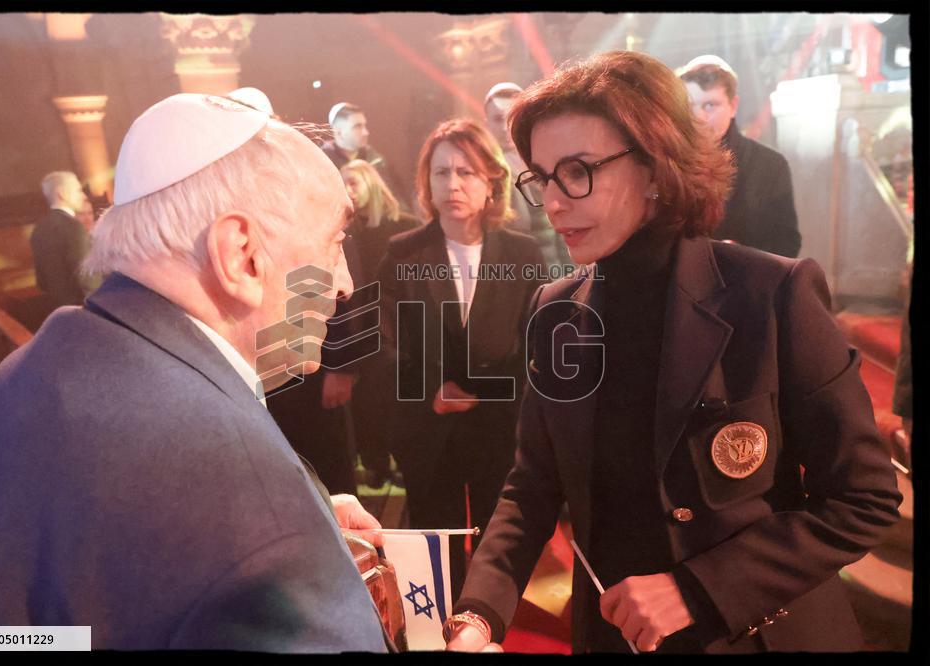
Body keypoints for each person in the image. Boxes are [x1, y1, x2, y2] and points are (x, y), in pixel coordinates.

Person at [445, 51, 901, 654]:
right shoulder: (555, 311)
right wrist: (478, 615)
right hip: (613, 634)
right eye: (542, 177)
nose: (553, 202)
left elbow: (863, 500)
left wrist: (698, 590)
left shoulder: (770, 294)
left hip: (755, 633)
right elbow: (532, 487)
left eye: (577, 171)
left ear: (657, 168)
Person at [0, 91, 390, 652]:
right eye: (334, 244)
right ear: (241, 256)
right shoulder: (250, 503)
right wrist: (295, 544)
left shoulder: (26, 374)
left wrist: (313, 518)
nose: (346, 283)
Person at [377, 118, 544, 598]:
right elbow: (383, 341)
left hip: (501, 426)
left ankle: (485, 617)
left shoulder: (523, 253)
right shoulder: (403, 253)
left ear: (491, 181)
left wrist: (490, 390)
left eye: (466, 172)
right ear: (426, 183)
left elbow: (538, 343)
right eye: (442, 172)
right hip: (430, 427)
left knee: (499, 536)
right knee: (437, 540)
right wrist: (431, 393)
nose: (453, 184)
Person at [339, 159, 419, 487]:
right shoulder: (346, 233)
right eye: (343, 184)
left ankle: (403, 463)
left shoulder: (405, 226)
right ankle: (376, 463)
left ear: (371, 183)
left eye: (353, 182)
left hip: (401, 328)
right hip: (363, 330)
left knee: (399, 401)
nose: (348, 191)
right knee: (368, 404)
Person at [677, 55, 801, 258]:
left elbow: (786, 243)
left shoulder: (769, 166)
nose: (699, 118)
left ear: (733, 106)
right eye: (690, 106)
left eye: (710, 105)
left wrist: (741, 256)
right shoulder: (666, 161)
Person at [484, 82, 571, 269]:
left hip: (559, 270)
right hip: (523, 273)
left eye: (510, 117)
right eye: (498, 119)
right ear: (487, 123)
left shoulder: (547, 159)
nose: (505, 127)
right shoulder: (486, 171)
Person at [322, 102, 407, 205]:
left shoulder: (377, 161)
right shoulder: (322, 164)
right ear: (339, 132)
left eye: (364, 126)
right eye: (357, 127)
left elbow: (397, 203)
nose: (365, 132)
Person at [29, 171, 93, 307]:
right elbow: (86, 277)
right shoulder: (73, 226)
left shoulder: (38, 229)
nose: (83, 195)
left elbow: (42, 282)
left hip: (56, 308)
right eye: (78, 190)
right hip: (82, 307)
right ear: (62, 193)